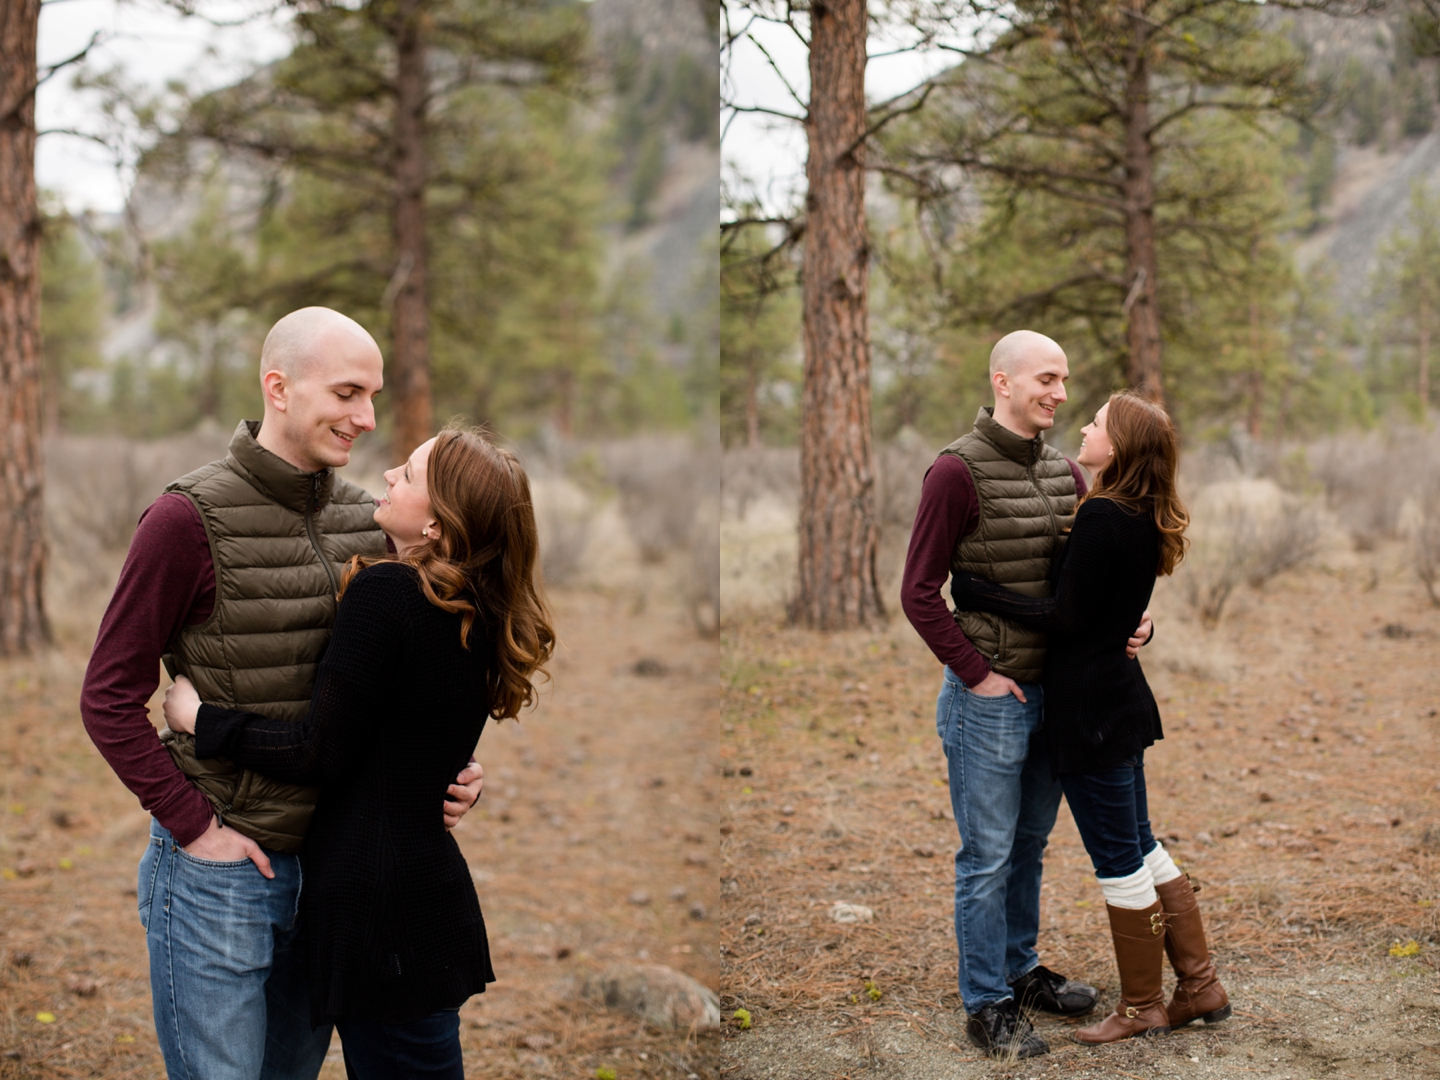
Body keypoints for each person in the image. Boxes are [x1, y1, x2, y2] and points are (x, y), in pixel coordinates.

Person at [80, 307, 484, 1080]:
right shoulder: (183, 520)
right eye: (346, 393)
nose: (367, 418)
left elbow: (402, 686)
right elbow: (107, 696)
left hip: (336, 879)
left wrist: (447, 771)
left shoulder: (372, 523)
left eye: (373, 395)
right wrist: (194, 828)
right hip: (219, 873)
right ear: (279, 388)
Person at [162, 425, 555, 1079]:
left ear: (436, 525)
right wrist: (462, 779)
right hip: (424, 904)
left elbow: (321, 753)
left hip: (381, 918)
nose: (390, 474)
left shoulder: (389, 594)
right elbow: (412, 741)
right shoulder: (479, 605)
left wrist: (201, 720)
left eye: (409, 473)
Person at [900, 330, 1153, 1059]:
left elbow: (1087, 585)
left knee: (1030, 848)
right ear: (1003, 382)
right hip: (989, 703)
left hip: (1060, 696)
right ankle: (986, 1002)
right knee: (986, 855)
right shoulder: (955, 472)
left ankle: (1018, 969)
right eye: (1047, 378)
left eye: (1066, 381)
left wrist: (1135, 624)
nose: (1061, 394)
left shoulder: (1067, 472)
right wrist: (977, 674)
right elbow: (919, 593)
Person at [950, 391, 1229, 1044]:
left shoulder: (1103, 513)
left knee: (1119, 861)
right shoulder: (1138, 511)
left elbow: (1069, 618)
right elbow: (1112, 612)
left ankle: (1142, 1007)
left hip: (1093, 713)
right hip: (1121, 702)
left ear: (1120, 446)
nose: (1084, 425)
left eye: (1097, 422)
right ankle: (1198, 984)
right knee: (1143, 845)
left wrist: (978, 591)